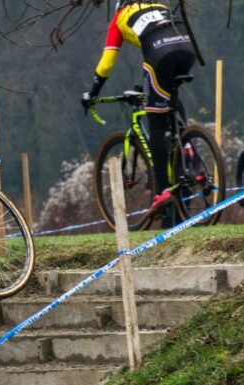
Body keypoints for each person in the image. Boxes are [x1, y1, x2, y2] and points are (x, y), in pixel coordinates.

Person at [81, 0, 196, 226]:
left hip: (160, 54)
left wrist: (92, 93)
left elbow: (106, 64)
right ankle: (188, 147)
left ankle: (162, 192)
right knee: (170, 98)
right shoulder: (159, 5)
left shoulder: (120, 18)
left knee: (155, 121)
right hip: (187, 48)